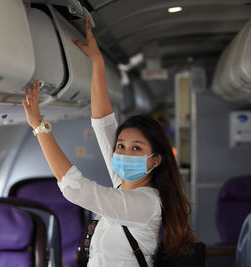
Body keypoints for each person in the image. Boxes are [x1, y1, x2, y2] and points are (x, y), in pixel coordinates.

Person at [22, 17, 196, 267]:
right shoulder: (122, 187)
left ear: (156, 159)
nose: (124, 152)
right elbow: (103, 122)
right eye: (121, 146)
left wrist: (39, 126)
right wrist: (97, 63)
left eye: (137, 148)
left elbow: (76, 188)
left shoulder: (146, 203)